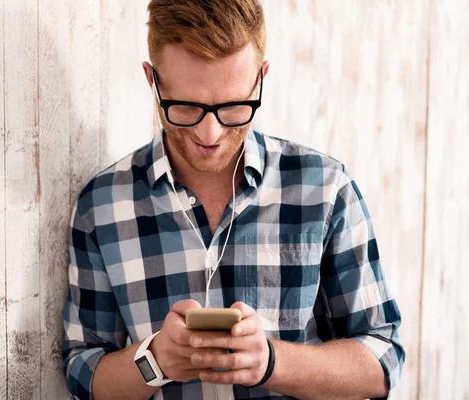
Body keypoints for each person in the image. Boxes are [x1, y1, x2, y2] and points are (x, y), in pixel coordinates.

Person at [62, 0, 405, 399]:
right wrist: (155, 361)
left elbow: (383, 359)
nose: (210, 134)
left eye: (233, 107)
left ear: (261, 79)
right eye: (185, 106)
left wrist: (271, 363)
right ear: (152, 81)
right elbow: (82, 373)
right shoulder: (102, 205)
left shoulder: (326, 189)